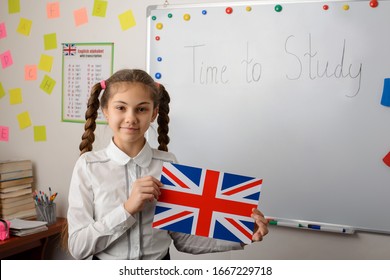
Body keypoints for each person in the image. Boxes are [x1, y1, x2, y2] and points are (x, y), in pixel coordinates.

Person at [67, 69, 268, 260]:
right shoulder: (88, 166)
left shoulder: (168, 164)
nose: (131, 118)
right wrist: (127, 209)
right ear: (106, 112)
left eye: (141, 109)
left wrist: (242, 233)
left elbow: (184, 239)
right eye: (121, 107)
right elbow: (78, 247)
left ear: (154, 114)